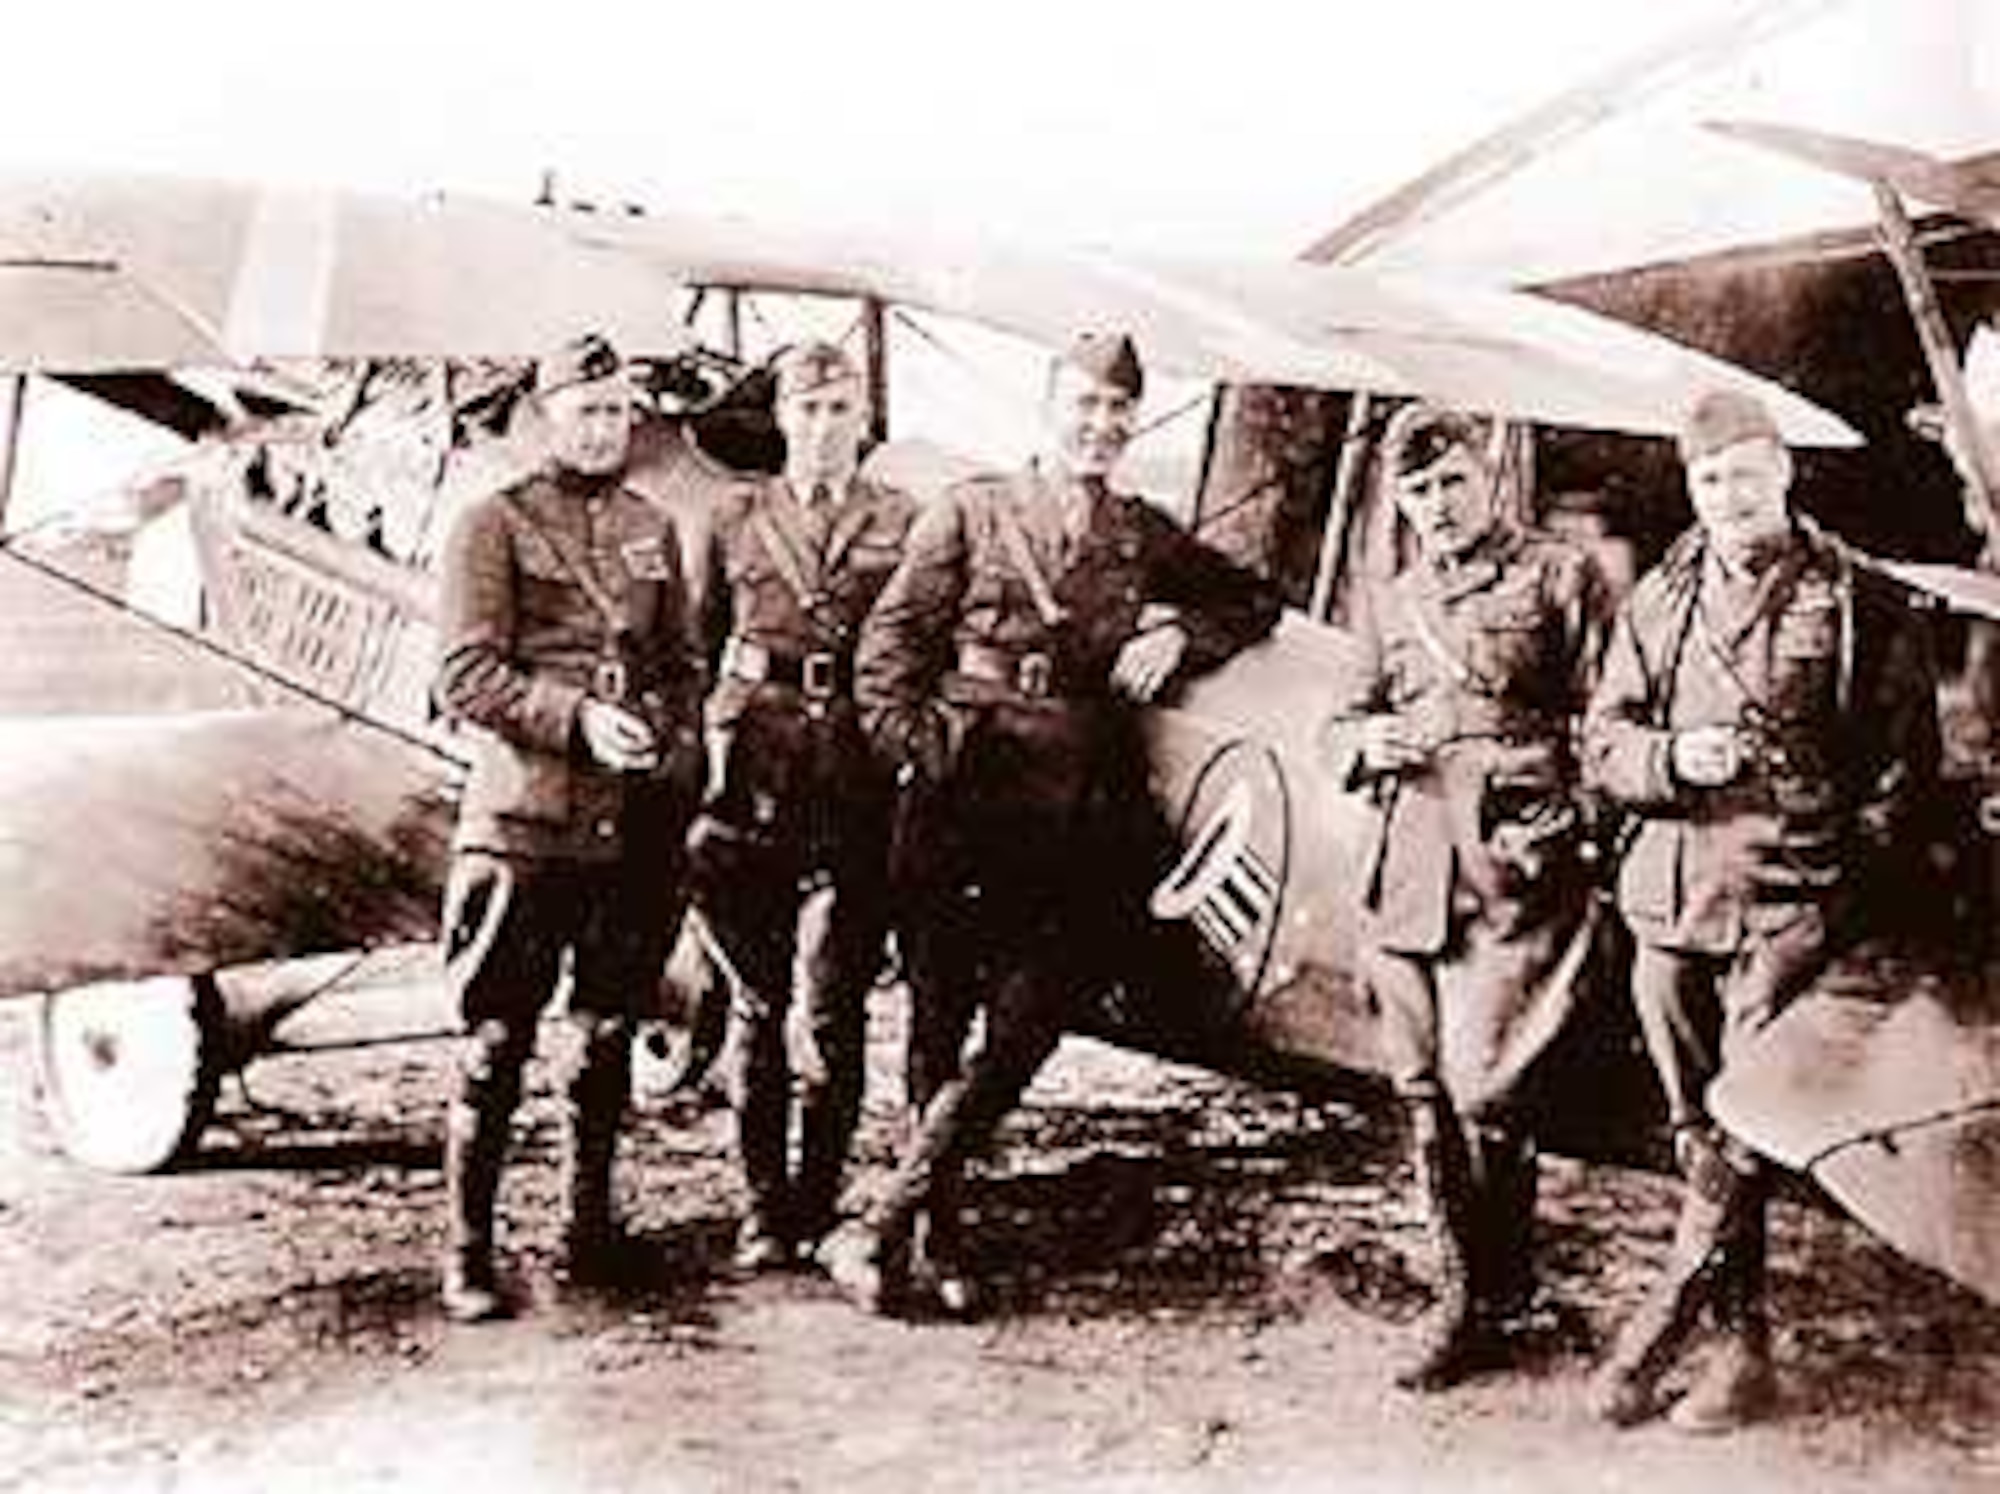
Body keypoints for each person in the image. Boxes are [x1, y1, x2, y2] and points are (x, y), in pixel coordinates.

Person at [824, 329, 1279, 1316]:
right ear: (1046, 409)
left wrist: (1177, 630)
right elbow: (887, 646)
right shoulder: (971, 511)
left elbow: (1252, 599)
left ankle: (881, 1226)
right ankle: (934, 1240)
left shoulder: (1137, 533)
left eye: (1118, 412)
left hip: (1072, 800)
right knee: (937, 1025)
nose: (1100, 427)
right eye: (1084, 406)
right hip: (964, 791)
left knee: (1028, 1019)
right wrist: (919, 753)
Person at [1582, 387, 1940, 1431]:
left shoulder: (1860, 600)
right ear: (1689, 490)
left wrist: (1837, 894)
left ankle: (1670, 1323)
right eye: (1706, 479)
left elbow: (1899, 774)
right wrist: (1664, 760)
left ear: (1781, 472)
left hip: (1788, 906)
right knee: (1695, 1125)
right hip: (1671, 904)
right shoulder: (1658, 601)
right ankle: (1742, 1347)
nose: (1726, 494)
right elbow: (1601, 739)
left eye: (1743, 472)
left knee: (1746, 1127)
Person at [1321, 402, 1610, 1390]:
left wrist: (1564, 820)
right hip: (1407, 866)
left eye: (1449, 481)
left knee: (1489, 1082)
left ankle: (1499, 1287)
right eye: (1416, 490)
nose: (1435, 504)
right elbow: (1340, 722)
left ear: (1485, 476)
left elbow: (1608, 720)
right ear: (1396, 502)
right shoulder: (1391, 596)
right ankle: (1469, 1297)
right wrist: (1365, 745)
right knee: (1417, 1082)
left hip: (1510, 870)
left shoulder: (1557, 575)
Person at [431, 332, 705, 1323]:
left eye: (619, 409)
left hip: (628, 831)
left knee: (601, 1040)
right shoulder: (490, 526)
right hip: (523, 823)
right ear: (548, 414)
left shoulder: (651, 527)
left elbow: (681, 663)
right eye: (587, 410)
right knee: (495, 1044)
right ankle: (466, 1252)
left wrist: (665, 739)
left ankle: (587, 1232)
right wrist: (577, 721)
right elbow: (463, 676)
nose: (605, 427)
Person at [685, 341, 917, 1270]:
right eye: (809, 411)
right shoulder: (732, 517)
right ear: (784, 419)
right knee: (755, 1003)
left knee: (832, 1010)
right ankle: (761, 1209)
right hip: (751, 779)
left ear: (862, 423)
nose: (824, 430)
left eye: (840, 412)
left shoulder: (901, 521)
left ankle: (818, 1204)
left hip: (851, 784)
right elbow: (697, 650)